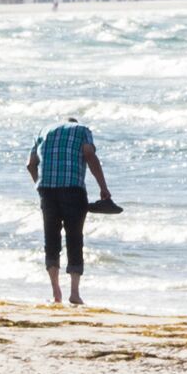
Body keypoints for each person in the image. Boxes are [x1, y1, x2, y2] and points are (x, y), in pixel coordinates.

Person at [31, 114, 119, 305]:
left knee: (51, 239)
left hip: (47, 190)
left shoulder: (44, 130)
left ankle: (56, 293)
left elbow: (31, 165)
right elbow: (89, 154)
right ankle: (74, 293)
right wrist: (103, 188)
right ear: (75, 124)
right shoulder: (83, 130)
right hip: (73, 189)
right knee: (74, 238)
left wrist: (40, 185)